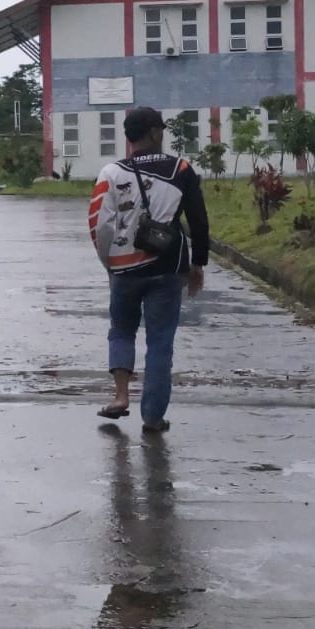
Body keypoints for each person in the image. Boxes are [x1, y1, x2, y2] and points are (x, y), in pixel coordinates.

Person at [88, 107, 209, 432]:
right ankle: (153, 417)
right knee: (160, 341)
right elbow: (198, 219)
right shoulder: (180, 169)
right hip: (169, 268)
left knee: (121, 330)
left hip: (124, 269)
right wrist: (198, 263)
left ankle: (121, 397)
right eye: (161, 130)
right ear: (154, 133)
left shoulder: (110, 173)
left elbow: (99, 223)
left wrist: (109, 264)